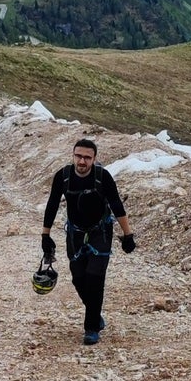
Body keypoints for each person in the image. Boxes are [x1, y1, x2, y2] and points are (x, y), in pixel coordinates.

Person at [41, 137, 135, 345]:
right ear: (73, 156)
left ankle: (91, 327)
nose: (82, 161)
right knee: (78, 277)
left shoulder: (103, 177)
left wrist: (128, 235)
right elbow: (52, 204)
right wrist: (45, 235)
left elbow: (117, 206)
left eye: (87, 158)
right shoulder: (63, 176)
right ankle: (94, 312)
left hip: (100, 232)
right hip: (74, 233)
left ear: (94, 159)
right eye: (78, 156)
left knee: (95, 277)